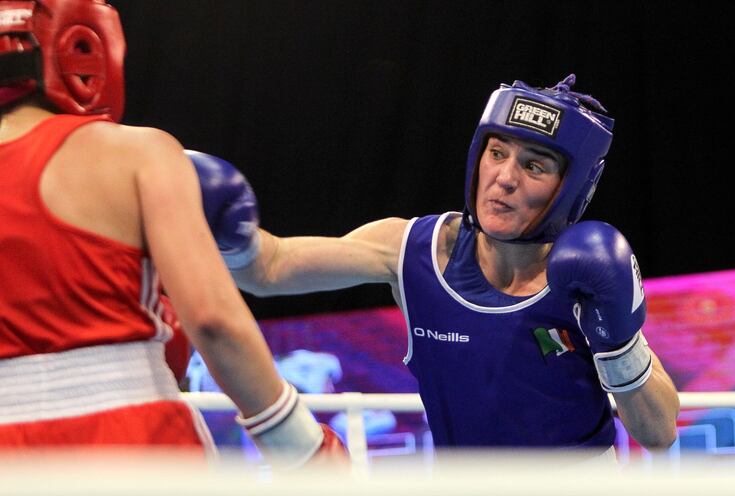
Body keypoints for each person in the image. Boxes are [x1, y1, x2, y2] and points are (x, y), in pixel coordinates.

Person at [188, 75, 680, 454]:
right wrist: (225, 227)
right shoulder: (413, 249)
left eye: (533, 165)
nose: (504, 178)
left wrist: (618, 345)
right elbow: (270, 269)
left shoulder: (587, 276)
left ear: (570, 188)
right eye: (497, 152)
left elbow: (658, 432)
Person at [0, 0, 345, 469]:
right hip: (130, 438)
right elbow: (212, 320)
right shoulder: (138, 153)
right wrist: (299, 446)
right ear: (80, 45)